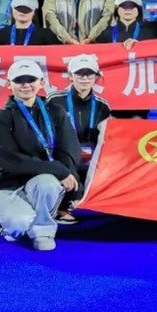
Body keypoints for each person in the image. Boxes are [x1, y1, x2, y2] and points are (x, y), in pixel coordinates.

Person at [0, 60, 82, 251]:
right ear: (9, 84)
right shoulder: (1, 117)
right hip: (5, 184)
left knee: (48, 183)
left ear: (41, 82)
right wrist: (57, 169)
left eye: (31, 79)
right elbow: (9, 159)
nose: (26, 85)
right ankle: (6, 224)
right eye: (19, 80)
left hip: (39, 180)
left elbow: (68, 149)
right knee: (18, 224)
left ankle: (43, 231)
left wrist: (73, 182)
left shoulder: (55, 111)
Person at [46, 54, 113, 223]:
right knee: (73, 185)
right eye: (79, 74)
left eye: (89, 74)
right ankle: (59, 207)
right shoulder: (54, 100)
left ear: (96, 77)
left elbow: (104, 138)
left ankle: (80, 196)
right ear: (70, 76)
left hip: (90, 157)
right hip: (62, 155)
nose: (84, 78)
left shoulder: (103, 105)